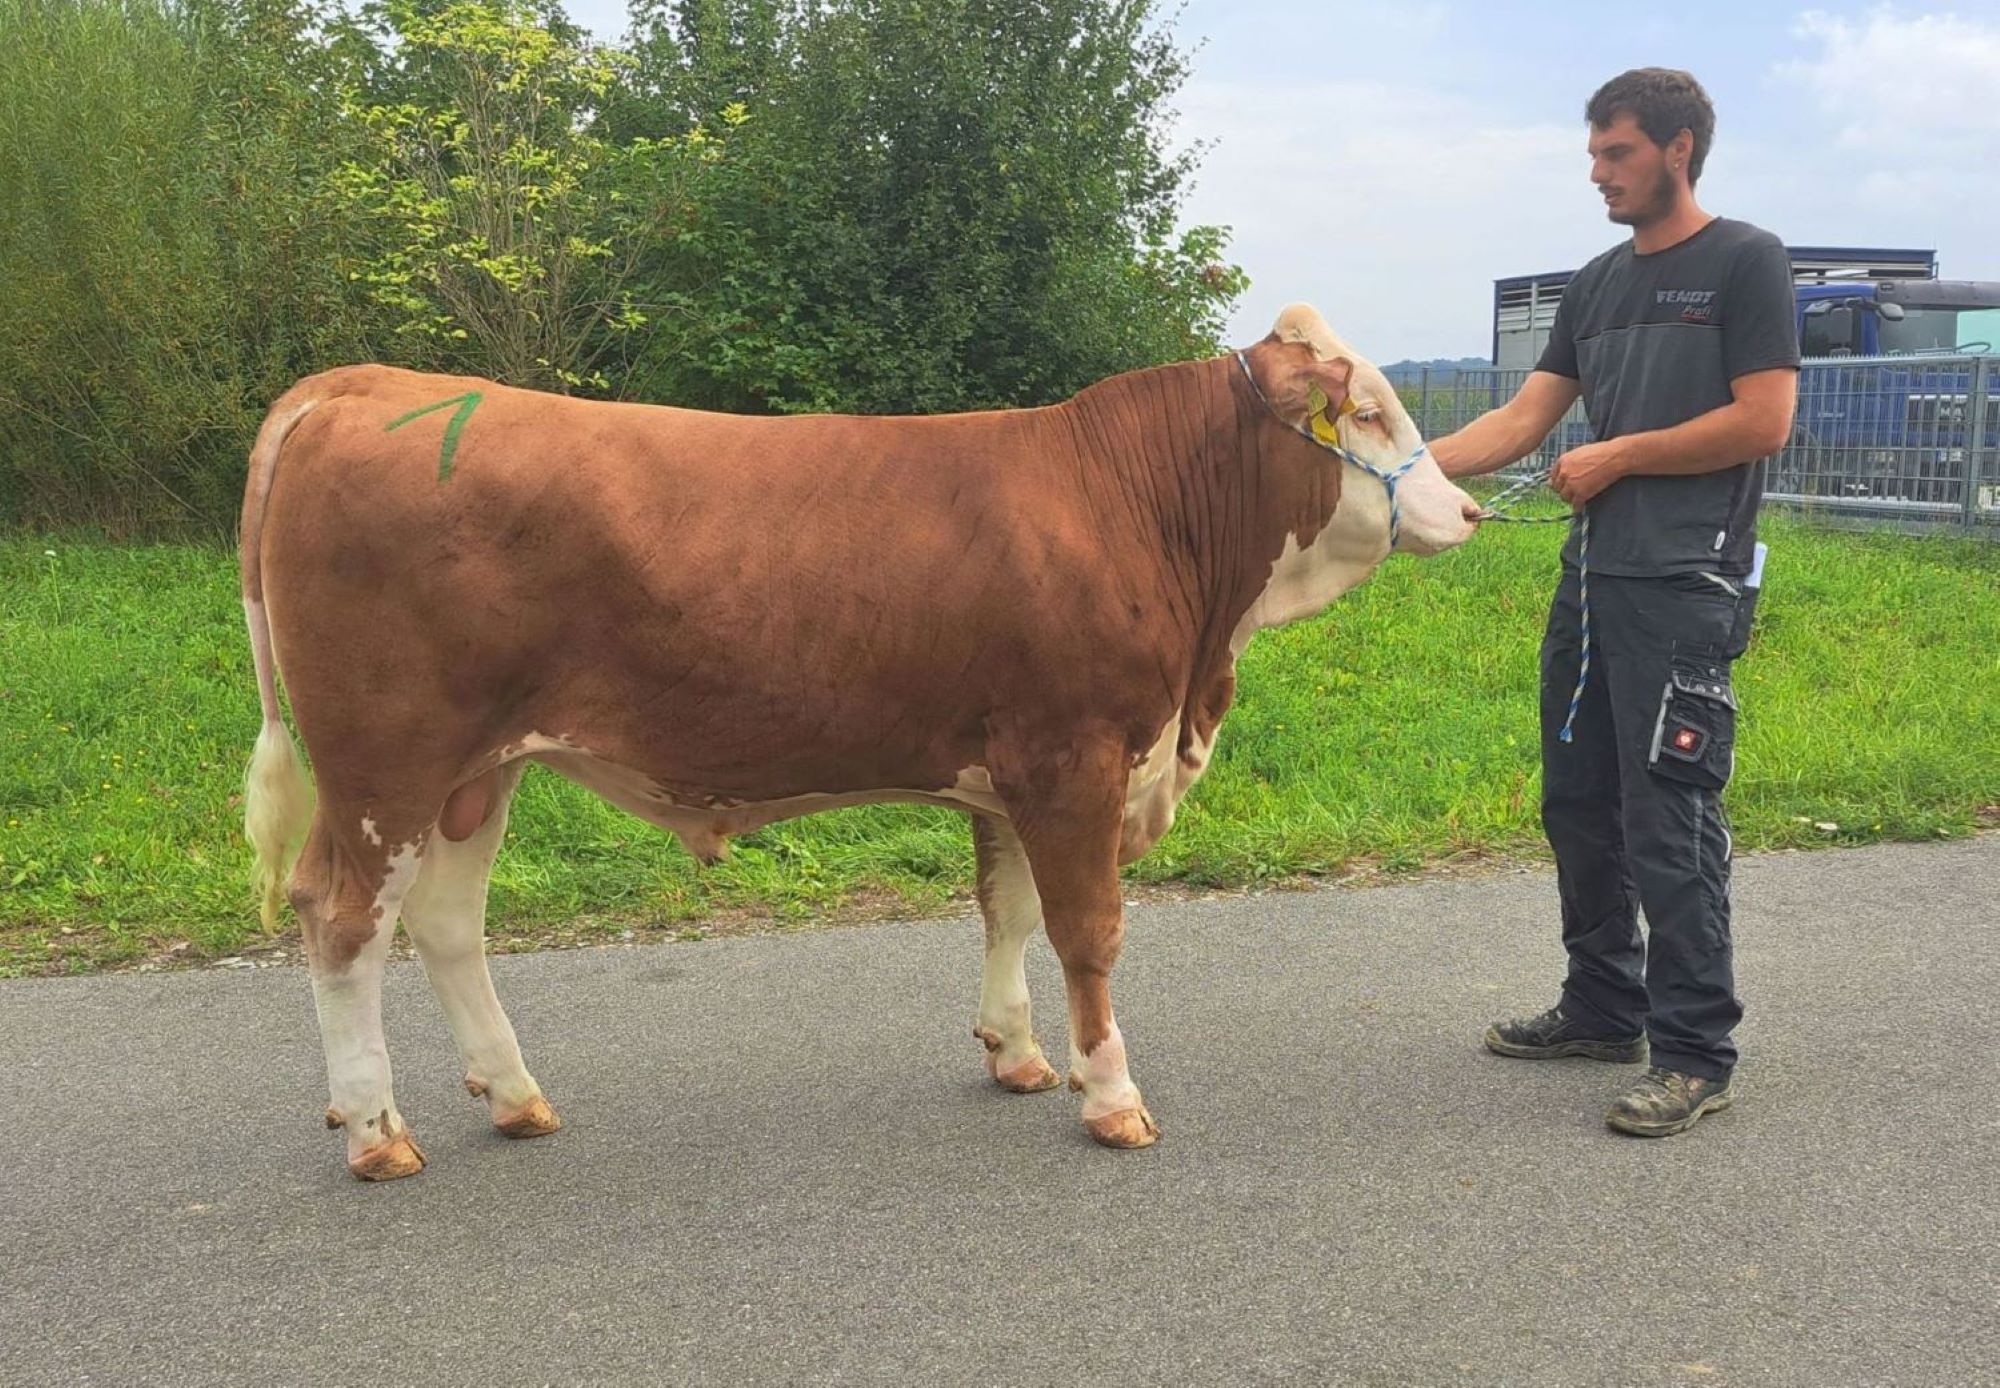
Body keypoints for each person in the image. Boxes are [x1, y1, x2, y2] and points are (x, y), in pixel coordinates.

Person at [1430, 68, 1799, 1137]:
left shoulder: (1743, 261)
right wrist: (1387, 468)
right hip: (1589, 583)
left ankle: (1692, 1052)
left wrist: (1618, 455)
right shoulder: (1594, 283)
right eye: (1593, 155)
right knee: (1576, 799)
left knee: (1666, 815)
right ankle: (1601, 1005)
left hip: (1682, 585)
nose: (1596, 173)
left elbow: (1761, 418)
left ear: (1677, 149)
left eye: (1616, 154)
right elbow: (1518, 420)